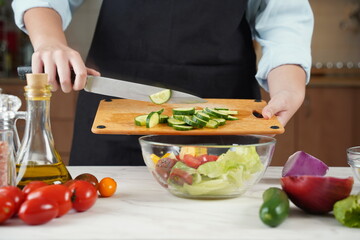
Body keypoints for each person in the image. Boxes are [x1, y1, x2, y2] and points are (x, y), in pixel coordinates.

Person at [12, 0, 314, 166]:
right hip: (114, 114)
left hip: (223, 114)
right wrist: (50, 41)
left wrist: (288, 87)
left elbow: (284, 21)